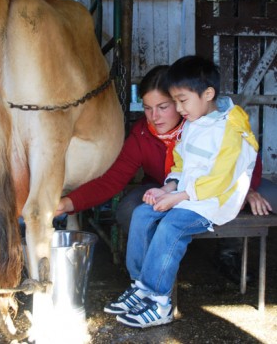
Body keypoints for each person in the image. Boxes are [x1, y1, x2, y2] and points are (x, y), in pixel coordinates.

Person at [56, 65, 274, 275]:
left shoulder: (206, 124)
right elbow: (111, 181)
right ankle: (153, 267)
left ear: (179, 101)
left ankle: (229, 253)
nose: (154, 117)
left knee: (258, 198)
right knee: (129, 209)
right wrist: (67, 203)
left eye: (163, 107)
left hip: (219, 185)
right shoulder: (141, 135)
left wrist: (248, 190)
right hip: (164, 186)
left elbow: (244, 161)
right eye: (147, 108)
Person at [109, 55, 259, 329]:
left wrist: (177, 197)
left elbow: (220, 179)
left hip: (215, 202)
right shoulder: (194, 122)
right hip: (189, 197)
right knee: (143, 213)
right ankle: (141, 286)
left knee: (170, 226)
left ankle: (160, 302)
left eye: (182, 100)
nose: (179, 108)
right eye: (175, 102)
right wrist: (167, 187)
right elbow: (181, 163)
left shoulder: (230, 127)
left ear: (208, 94)